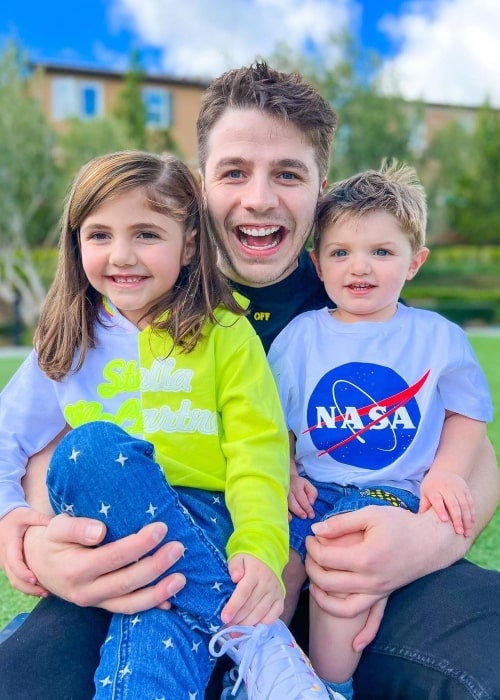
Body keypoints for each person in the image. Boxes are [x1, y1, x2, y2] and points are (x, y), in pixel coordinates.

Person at [0, 61, 499, 700]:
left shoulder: (356, 291)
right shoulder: (133, 289)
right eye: (234, 172)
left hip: (336, 559)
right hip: (150, 566)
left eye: (287, 174)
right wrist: (34, 539)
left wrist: (426, 542)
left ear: (323, 189)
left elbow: (468, 443)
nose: (259, 198)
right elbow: (51, 433)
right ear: (198, 185)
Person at [0, 150, 338, 699]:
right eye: (100, 235)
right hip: (110, 530)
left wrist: (259, 547)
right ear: (76, 242)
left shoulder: (225, 334)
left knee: (146, 671)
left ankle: (240, 646)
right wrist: (11, 516)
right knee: (90, 449)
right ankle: (258, 641)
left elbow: (259, 452)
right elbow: (5, 439)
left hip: (206, 524)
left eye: (147, 234)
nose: (122, 255)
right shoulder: (66, 339)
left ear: (188, 245)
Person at [266, 160, 493, 699]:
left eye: (381, 252)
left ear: (415, 263)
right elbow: (273, 422)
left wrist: (447, 474)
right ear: (317, 264)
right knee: (276, 572)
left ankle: (329, 686)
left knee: (340, 592)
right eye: (341, 252)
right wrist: (287, 469)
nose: (359, 267)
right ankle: (259, 670)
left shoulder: (436, 338)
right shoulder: (300, 338)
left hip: (387, 496)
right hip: (310, 493)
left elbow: (467, 414)